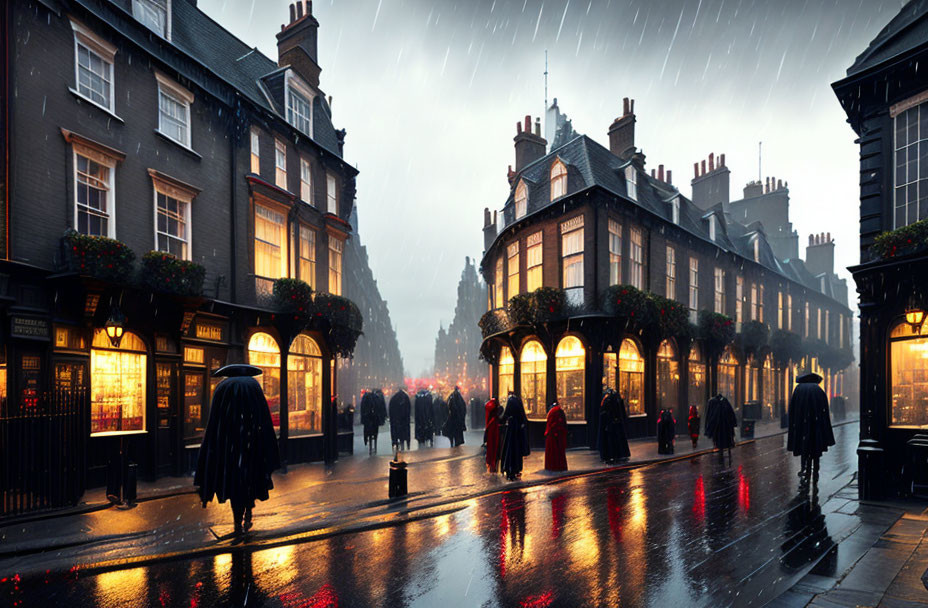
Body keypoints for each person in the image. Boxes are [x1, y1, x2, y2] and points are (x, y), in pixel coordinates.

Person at [195, 364, 280, 535]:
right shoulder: (253, 386)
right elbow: (263, 417)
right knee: (250, 481)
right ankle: (248, 513)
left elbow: (215, 421)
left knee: (234, 485)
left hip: (229, 448)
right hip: (252, 446)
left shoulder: (223, 388)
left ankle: (237, 522)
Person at [787, 372, 835, 483]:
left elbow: (792, 409)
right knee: (815, 447)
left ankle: (804, 468)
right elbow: (825, 410)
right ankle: (816, 469)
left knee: (803, 447)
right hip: (816, 425)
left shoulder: (798, 390)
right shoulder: (818, 390)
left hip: (801, 425)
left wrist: (793, 424)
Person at [500, 393, 530, 480]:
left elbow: (505, 414)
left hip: (511, 428)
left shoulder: (510, 401)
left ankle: (509, 468)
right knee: (517, 449)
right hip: (518, 430)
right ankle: (516, 468)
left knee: (510, 449)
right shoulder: (518, 401)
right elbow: (522, 417)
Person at [598, 388, 630, 464]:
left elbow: (603, 412)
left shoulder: (607, 400)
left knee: (611, 440)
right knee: (616, 440)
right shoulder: (615, 399)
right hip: (615, 423)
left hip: (610, 423)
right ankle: (618, 454)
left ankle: (612, 455)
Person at [705, 393, 737, 459]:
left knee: (719, 439)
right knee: (724, 439)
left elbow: (708, 415)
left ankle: (719, 449)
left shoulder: (713, 402)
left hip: (718, 425)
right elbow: (731, 413)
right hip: (724, 425)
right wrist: (733, 423)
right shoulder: (724, 401)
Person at [544, 401, 568, 471]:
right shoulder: (558, 411)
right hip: (557, 435)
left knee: (553, 453)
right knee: (559, 452)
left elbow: (552, 424)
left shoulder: (554, 411)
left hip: (553, 435)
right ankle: (559, 466)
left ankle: (553, 466)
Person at [388, 387, 412, 452]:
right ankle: (405, 443)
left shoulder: (393, 398)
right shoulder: (406, 398)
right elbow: (409, 410)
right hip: (404, 420)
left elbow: (390, 411)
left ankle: (395, 442)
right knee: (404, 432)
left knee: (395, 432)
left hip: (395, 420)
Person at [359, 390, 381, 454]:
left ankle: (367, 440)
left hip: (368, 418)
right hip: (375, 419)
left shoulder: (365, 398)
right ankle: (375, 445)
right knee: (375, 432)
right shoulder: (377, 398)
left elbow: (362, 409)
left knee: (367, 430)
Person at [485, 397, 503, 472]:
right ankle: (494, 463)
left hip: (490, 428)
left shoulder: (489, 407)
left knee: (491, 446)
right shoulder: (497, 410)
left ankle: (491, 462)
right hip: (495, 428)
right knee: (495, 445)